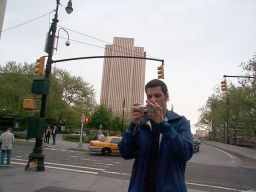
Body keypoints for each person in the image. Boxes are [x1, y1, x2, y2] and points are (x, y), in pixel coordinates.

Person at [118, 79, 193, 192]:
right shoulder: (142, 123)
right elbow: (126, 153)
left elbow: (186, 153)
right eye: (149, 97)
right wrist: (132, 125)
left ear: (167, 97)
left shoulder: (180, 122)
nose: (153, 100)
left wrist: (163, 124)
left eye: (157, 96)